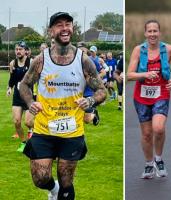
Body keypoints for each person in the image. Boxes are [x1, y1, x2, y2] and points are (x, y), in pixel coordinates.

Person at [19, 12, 106, 200]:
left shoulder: (83, 60)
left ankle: (62, 191)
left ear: (72, 29)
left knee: (67, 182)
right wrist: (30, 102)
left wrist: (90, 101)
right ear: (51, 31)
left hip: (72, 131)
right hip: (44, 128)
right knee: (40, 178)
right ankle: (54, 190)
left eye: (68, 24)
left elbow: (102, 90)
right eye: (59, 25)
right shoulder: (41, 60)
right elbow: (25, 85)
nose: (65, 28)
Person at [127, 19, 171, 179]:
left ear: (159, 32)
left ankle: (158, 159)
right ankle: (148, 163)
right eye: (149, 31)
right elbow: (129, 75)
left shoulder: (169, 49)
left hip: (161, 93)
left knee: (158, 128)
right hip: (141, 96)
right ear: (145, 33)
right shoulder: (138, 50)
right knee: (146, 134)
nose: (152, 34)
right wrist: (144, 74)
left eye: (155, 31)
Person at [6, 41, 34, 151]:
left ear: (25, 51)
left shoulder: (31, 62)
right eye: (16, 49)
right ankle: (23, 142)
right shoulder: (13, 63)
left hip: (28, 97)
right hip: (17, 96)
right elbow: (12, 79)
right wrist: (9, 88)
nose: (18, 51)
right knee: (16, 122)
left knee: (28, 122)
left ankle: (36, 130)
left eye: (20, 49)